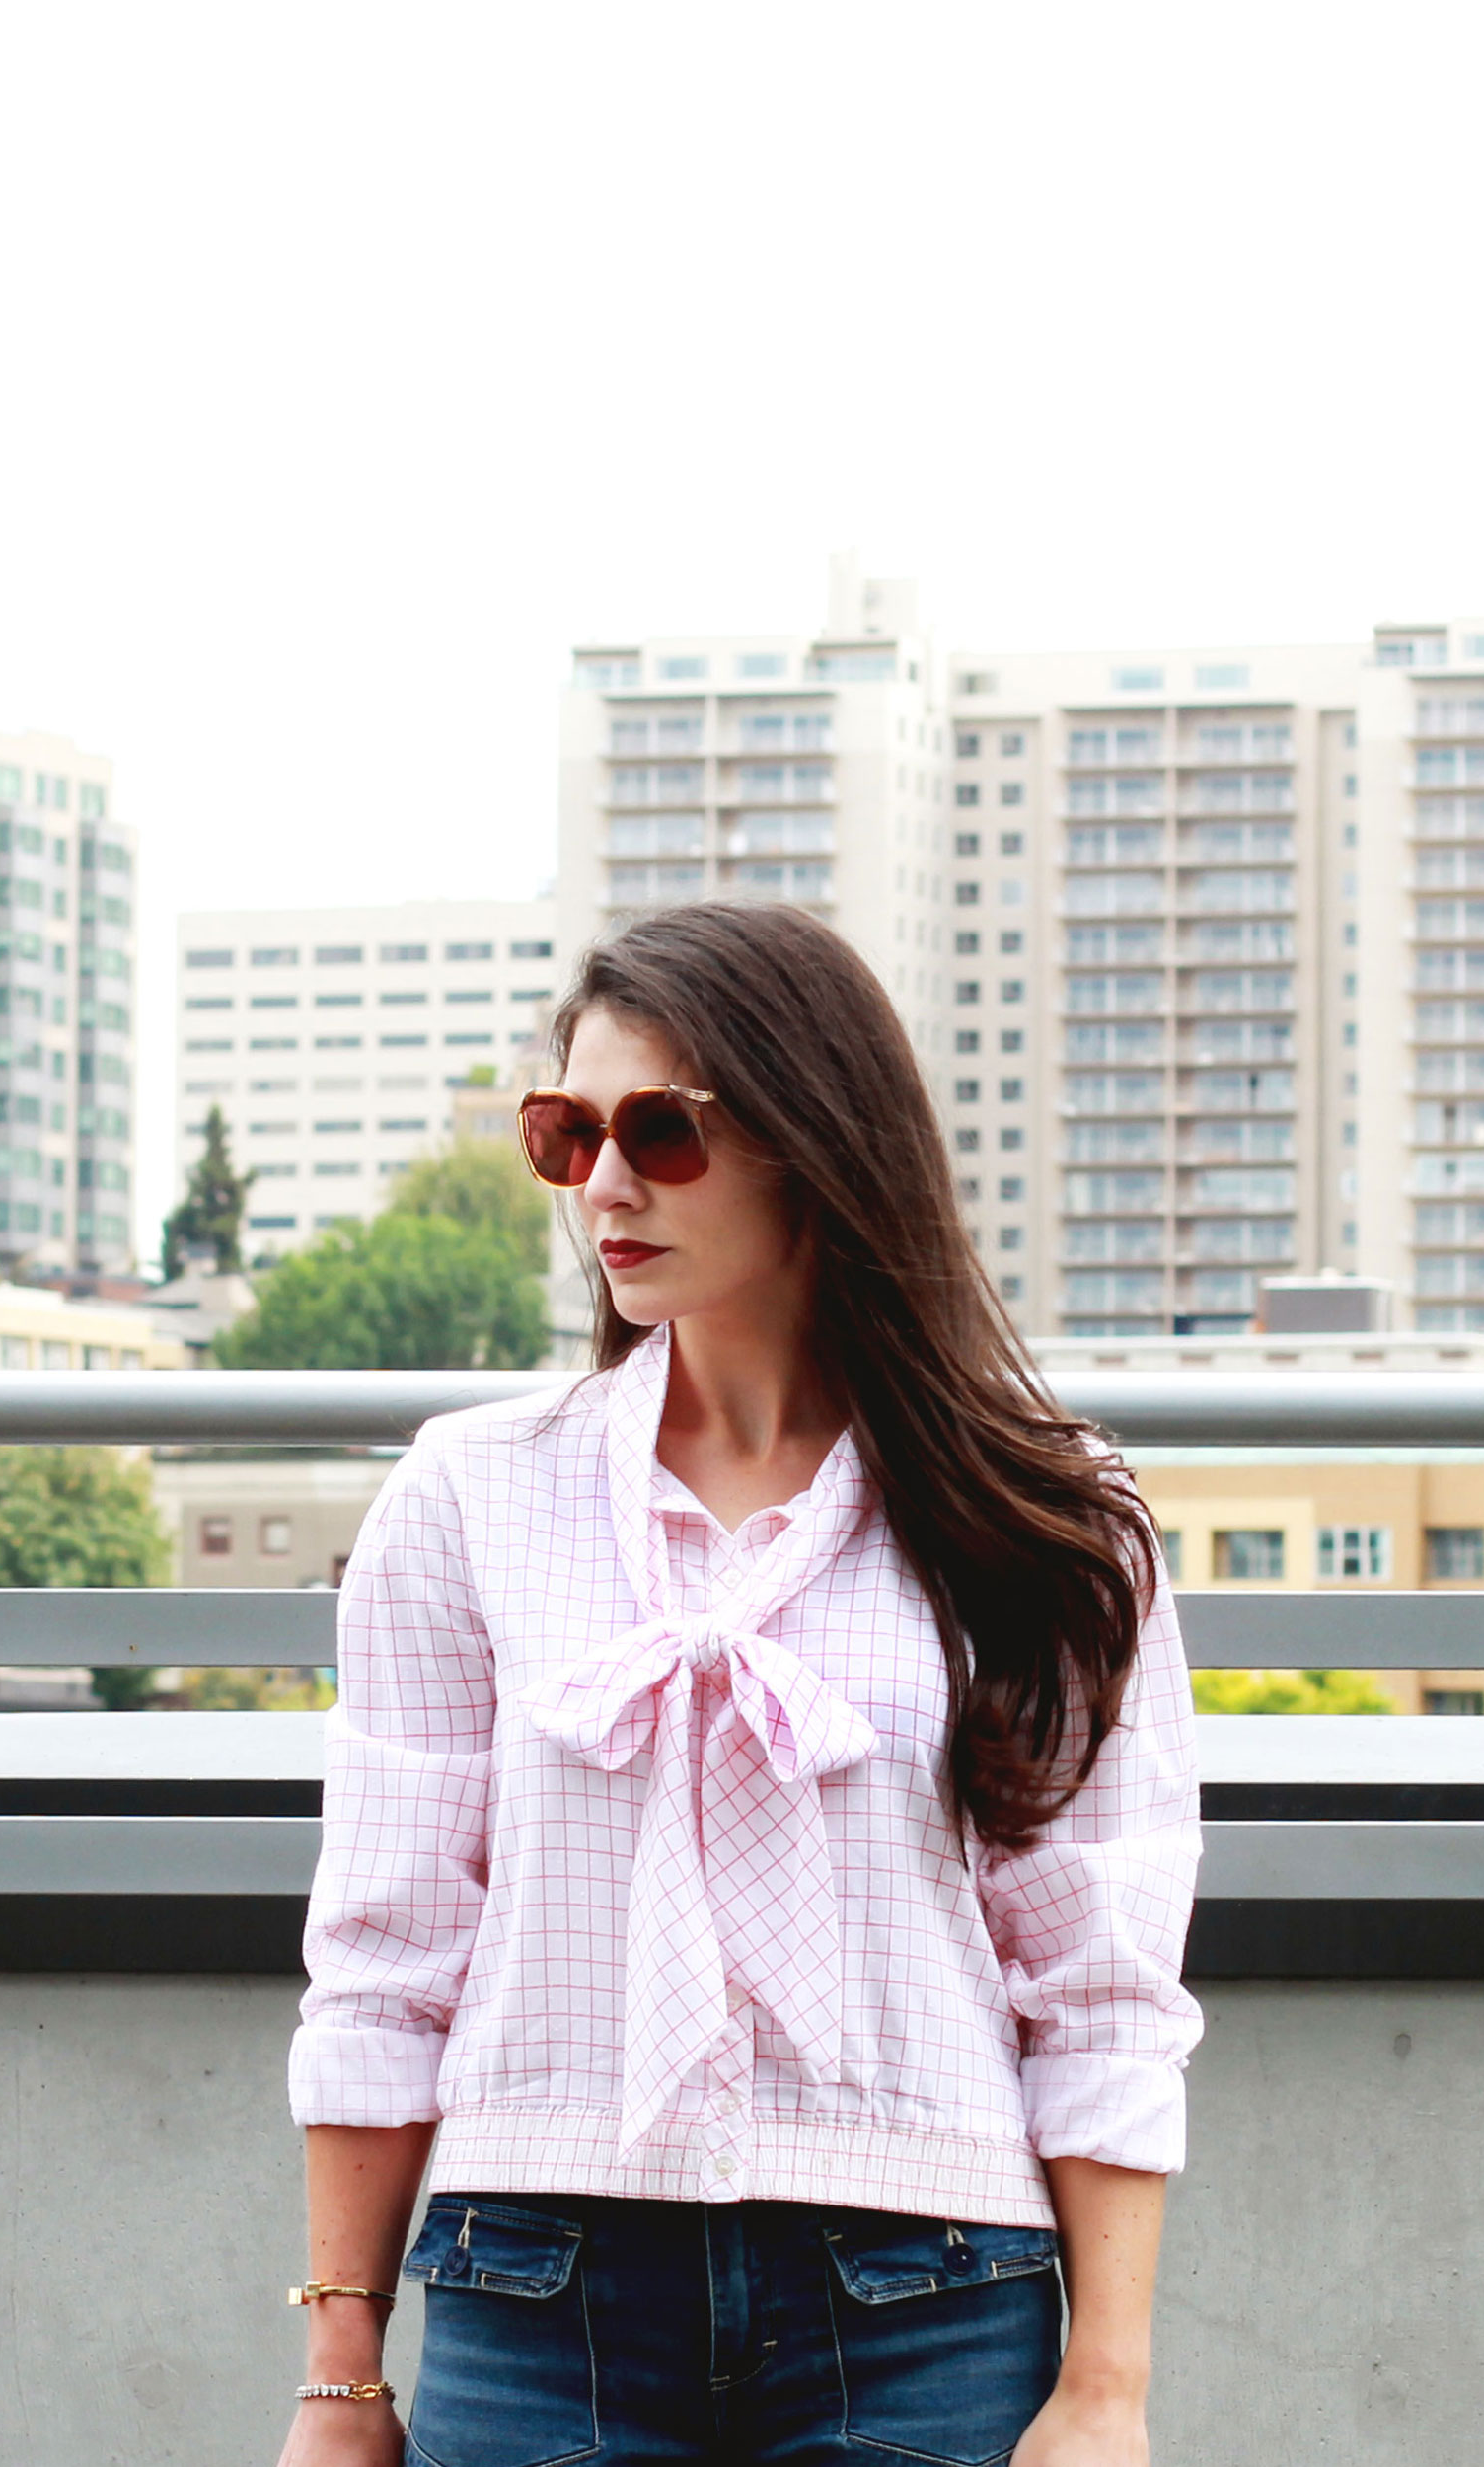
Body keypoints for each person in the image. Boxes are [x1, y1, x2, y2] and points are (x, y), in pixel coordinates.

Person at [277, 901, 1202, 2467]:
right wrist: (340, 2372)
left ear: (815, 1142)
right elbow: (387, 1950)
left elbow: (1098, 1975)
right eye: (566, 1134)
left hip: (926, 2288)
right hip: (537, 2280)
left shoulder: (1045, 1517)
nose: (606, 1186)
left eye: (661, 1131)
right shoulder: (470, 1494)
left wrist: (1104, 2389)